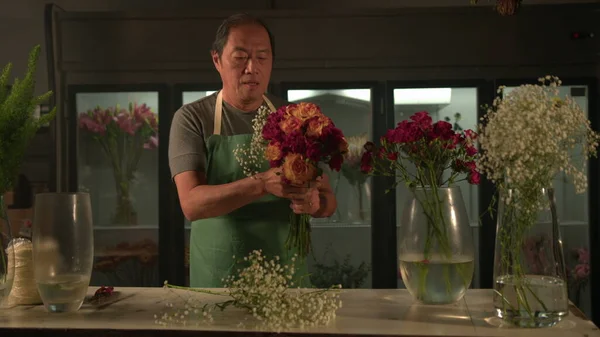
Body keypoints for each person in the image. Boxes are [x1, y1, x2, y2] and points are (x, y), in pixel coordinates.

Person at [168, 13, 338, 288]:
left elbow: (329, 200)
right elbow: (191, 204)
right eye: (240, 57)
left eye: (262, 57)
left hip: (286, 273)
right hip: (220, 276)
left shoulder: (295, 117)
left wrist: (316, 204)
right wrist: (261, 184)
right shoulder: (192, 118)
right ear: (217, 60)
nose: (252, 68)